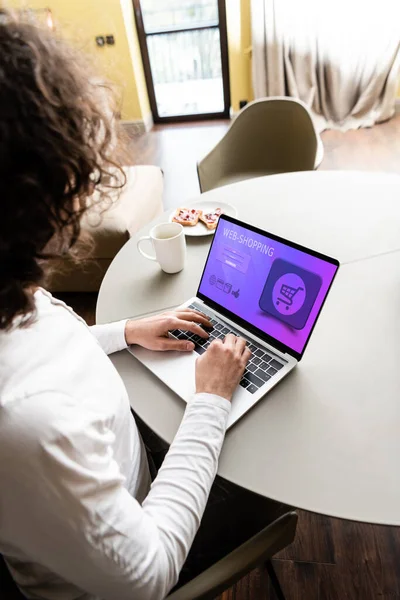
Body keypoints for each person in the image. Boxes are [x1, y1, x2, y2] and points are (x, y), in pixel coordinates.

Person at [0, 12, 288, 600]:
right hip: (140, 529)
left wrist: (127, 330)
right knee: (277, 469)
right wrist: (208, 401)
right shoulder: (23, 425)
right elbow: (149, 578)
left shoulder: (11, 290)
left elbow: (45, 338)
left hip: (115, 468)